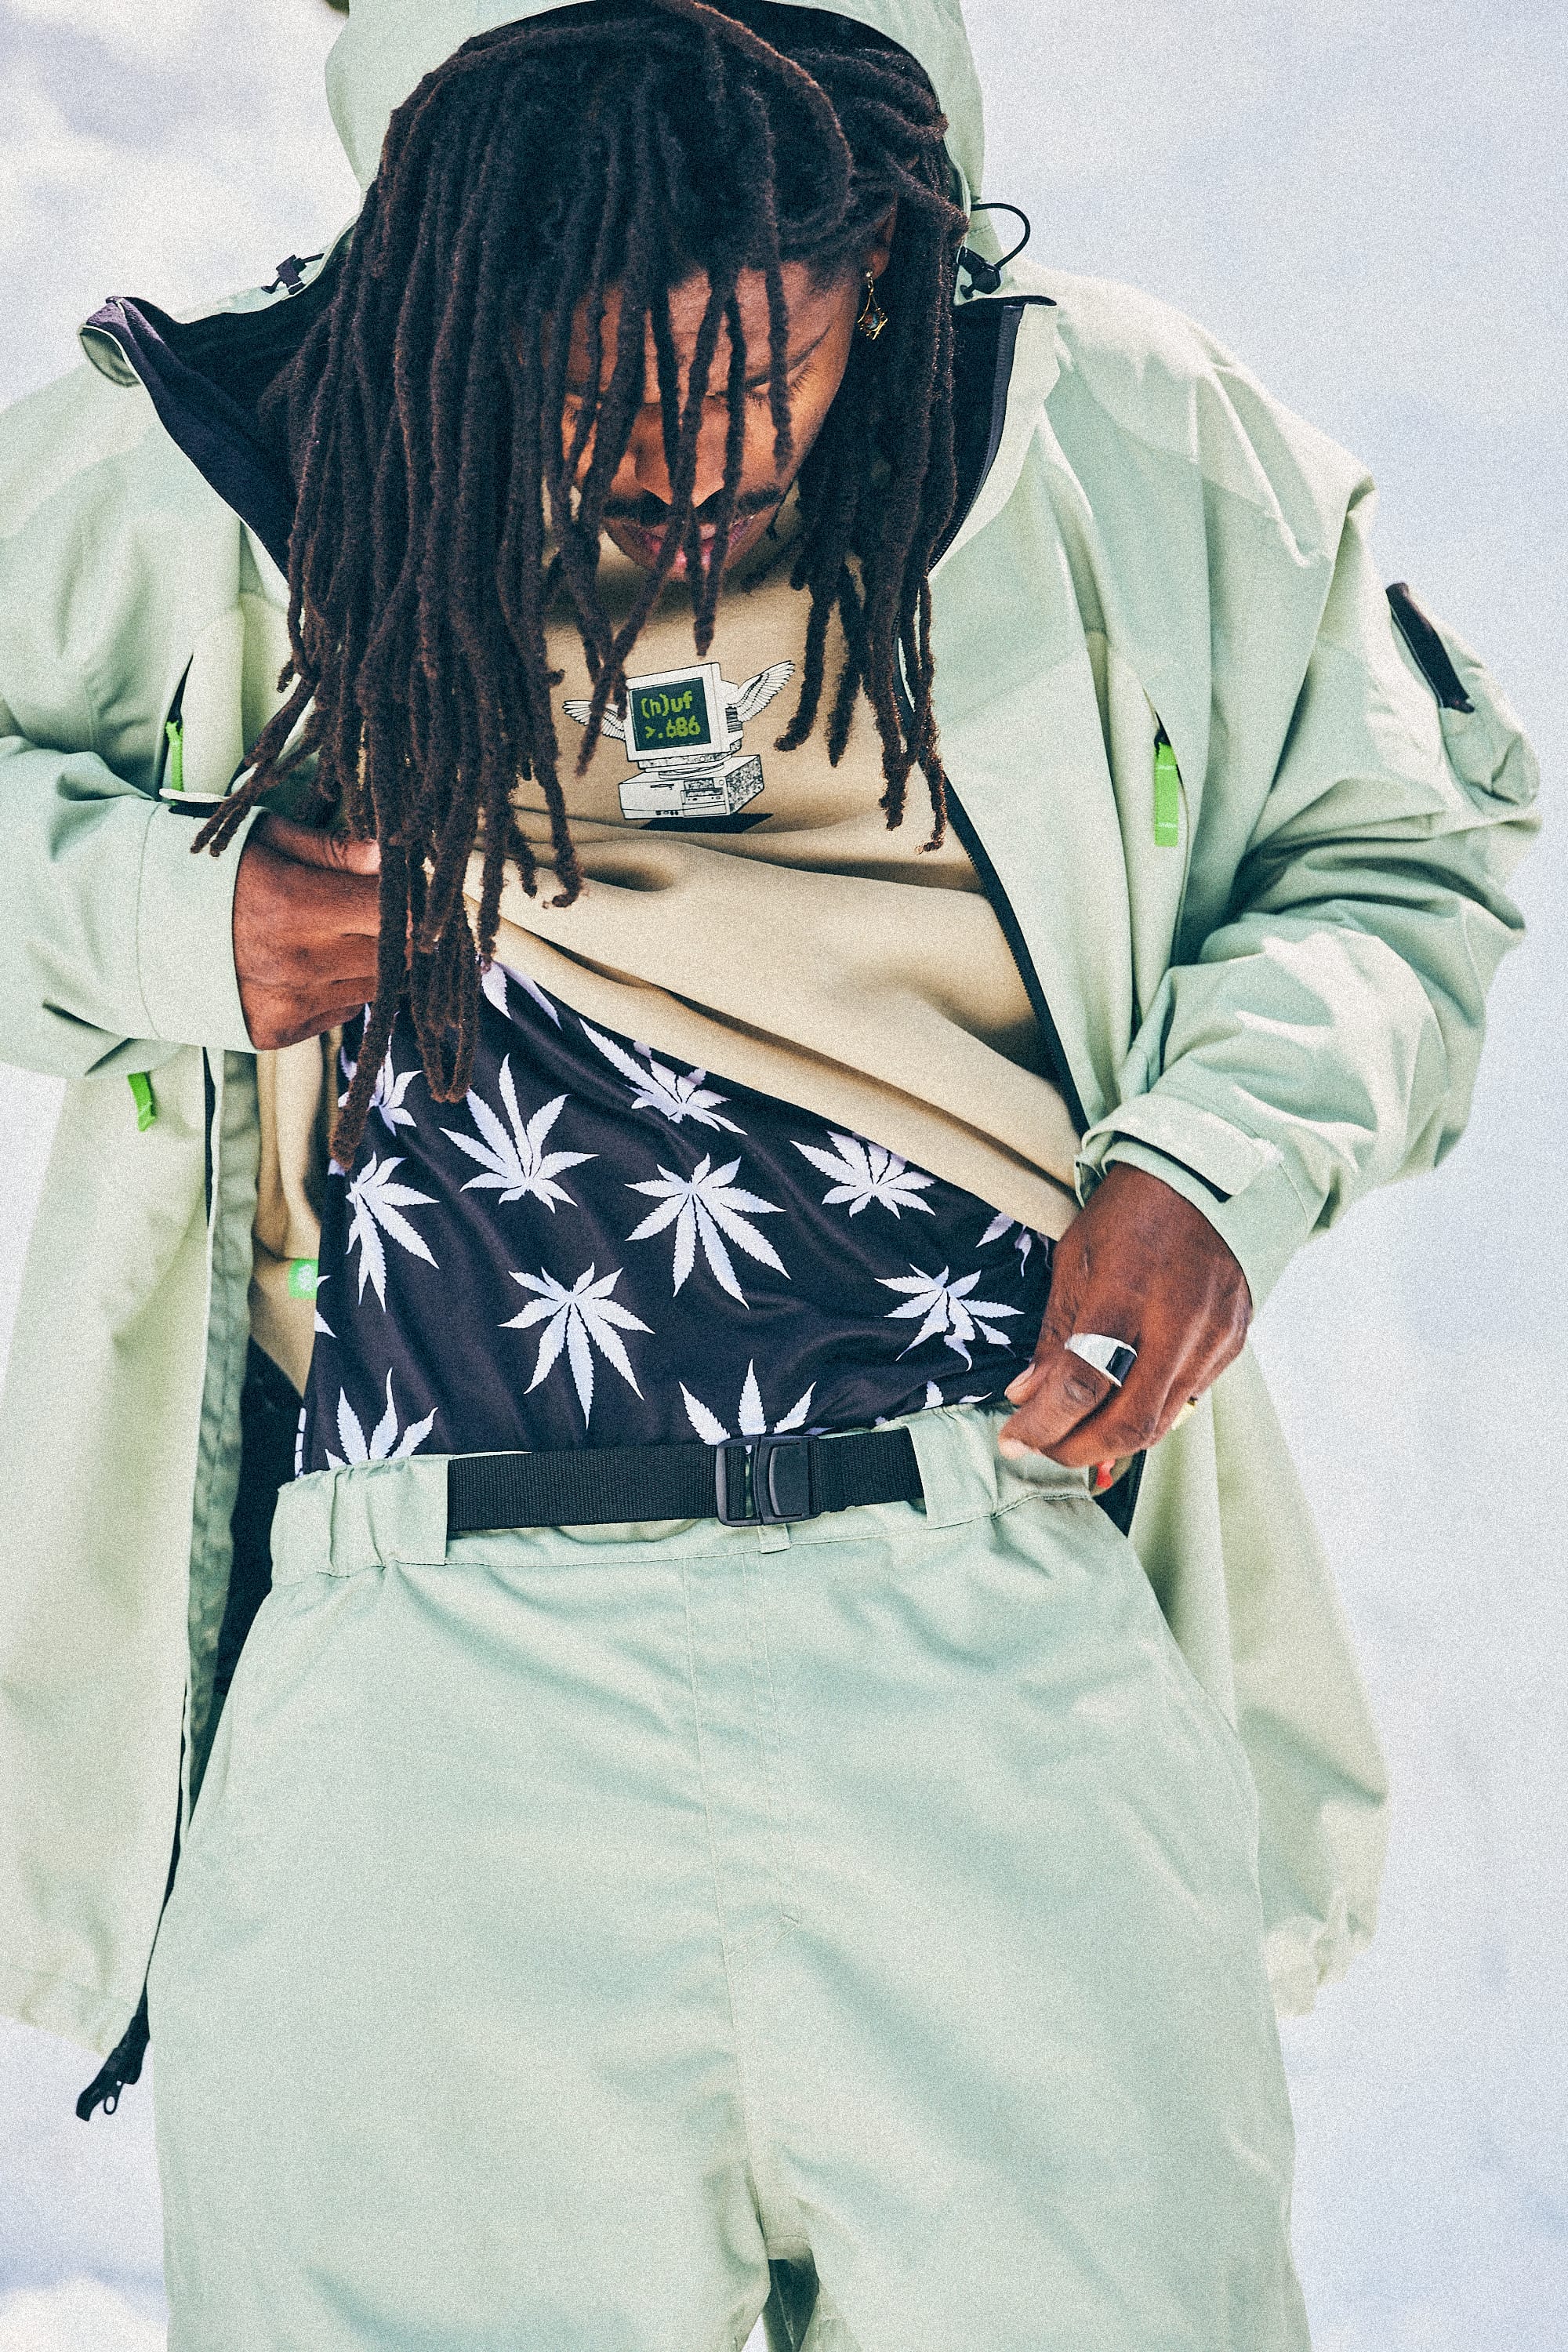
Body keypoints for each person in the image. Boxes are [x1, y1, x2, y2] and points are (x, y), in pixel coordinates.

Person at [0, 1, 1538, 2345]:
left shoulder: (1108, 439)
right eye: (590, 392)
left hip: (980, 1614)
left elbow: (1402, 846)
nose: (674, 464)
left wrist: (1219, 1159)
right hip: (425, 1691)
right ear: (446, 289)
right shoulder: (240, 458)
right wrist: (168, 918)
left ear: (886, 268)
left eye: (752, 375)